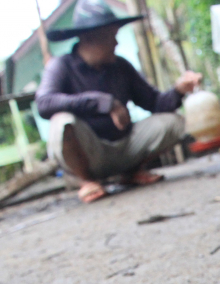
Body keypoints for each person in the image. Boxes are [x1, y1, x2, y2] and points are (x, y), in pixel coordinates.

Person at [36, 0, 201, 202]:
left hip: (125, 146)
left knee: (173, 123)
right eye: (109, 38)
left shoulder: (120, 66)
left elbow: (156, 104)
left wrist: (178, 90)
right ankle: (86, 181)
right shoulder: (61, 66)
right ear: (87, 38)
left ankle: (132, 172)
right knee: (62, 121)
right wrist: (105, 102)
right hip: (91, 152)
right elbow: (44, 103)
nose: (116, 43)